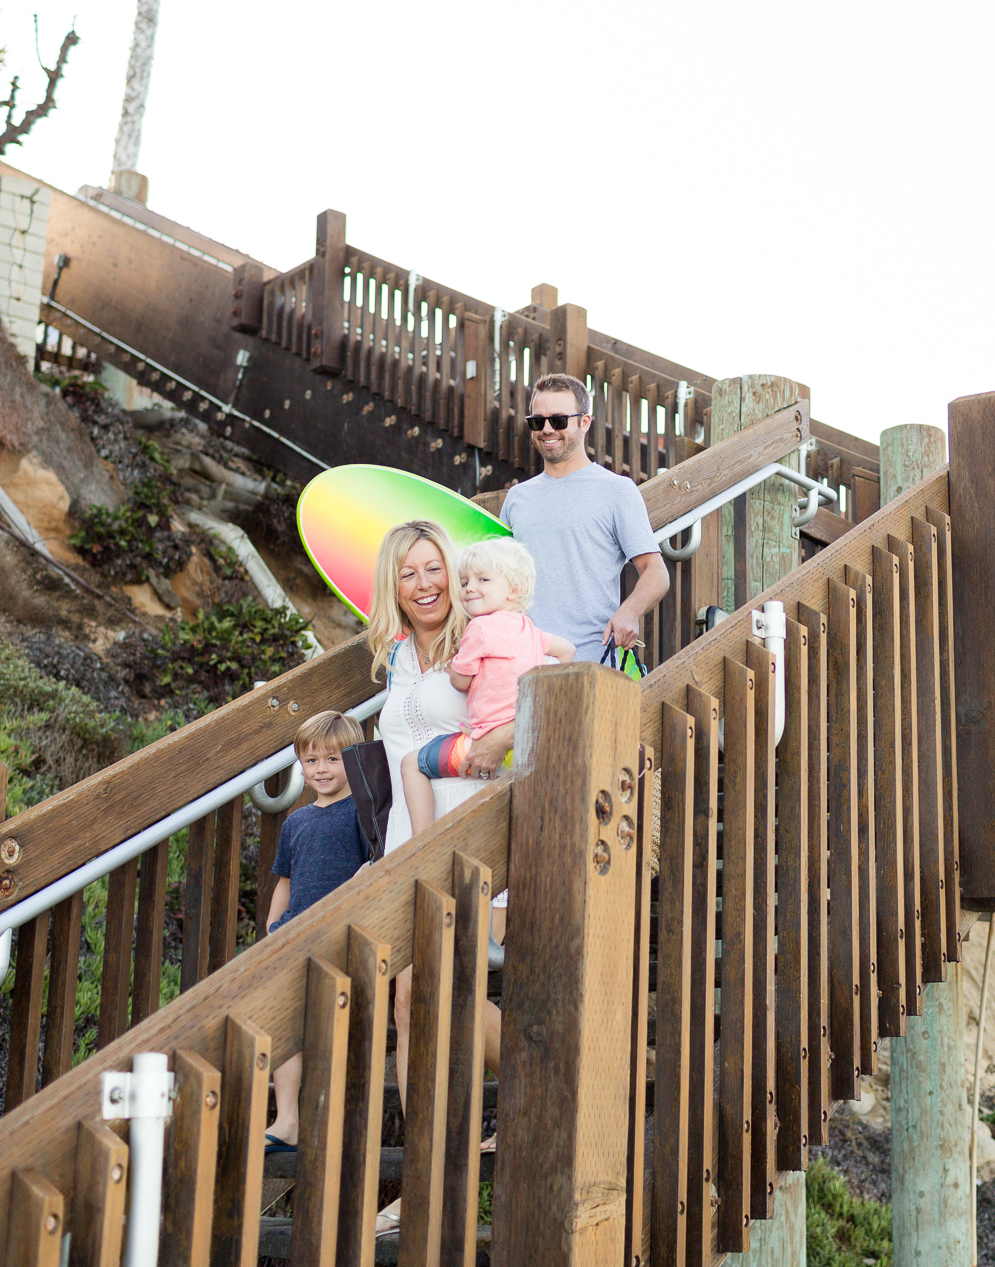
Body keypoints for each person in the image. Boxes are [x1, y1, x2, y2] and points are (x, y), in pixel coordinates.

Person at [364, 519, 505, 1237]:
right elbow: (398, 743)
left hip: (470, 832)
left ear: (453, 570)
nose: (424, 585)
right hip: (405, 843)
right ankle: (424, 1163)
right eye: (408, 573)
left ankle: (536, 1078)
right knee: (407, 995)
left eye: (433, 568)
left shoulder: (483, 635)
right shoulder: (398, 657)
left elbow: (519, 715)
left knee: (441, 989)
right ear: (394, 584)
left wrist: (479, 750)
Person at [400, 537, 574, 830]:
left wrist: (455, 666)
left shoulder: (478, 628)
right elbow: (567, 650)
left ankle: (420, 841)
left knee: (411, 764)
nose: (469, 588)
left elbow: (460, 681)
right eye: (465, 581)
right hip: (525, 739)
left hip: (480, 743)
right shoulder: (529, 630)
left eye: (482, 579)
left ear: (514, 589)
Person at [501, 372, 669, 665]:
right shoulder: (517, 498)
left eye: (559, 420)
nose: (547, 429)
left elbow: (655, 571)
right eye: (537, 421)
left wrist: (630, 611)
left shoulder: (617, 490)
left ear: (585, 422)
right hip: (519, 663)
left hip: (590, 663)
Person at [260, 710, 367, 1154]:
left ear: (354, 761)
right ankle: (287, 1119)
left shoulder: (363, 811)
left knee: (325, 1022)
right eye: (311, 761)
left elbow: (373, 864)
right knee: (283, 1019)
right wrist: (272, 928)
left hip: (340, 933)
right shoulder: (296, 821)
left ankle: (330, 1119)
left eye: (332, 760)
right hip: (294, 933)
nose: (321, 769)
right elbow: (284, 880)